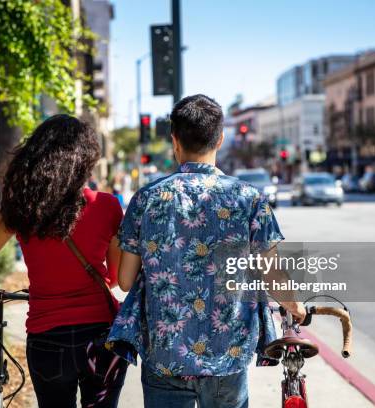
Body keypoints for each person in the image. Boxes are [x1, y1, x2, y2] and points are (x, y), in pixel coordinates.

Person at [109, 95, 306, 408]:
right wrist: (296, 307)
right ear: (221, 138)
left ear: (174, 140)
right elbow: (272, 275)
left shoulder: (146, 199)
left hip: (165, 356)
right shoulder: (249, 198)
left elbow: (125, 280)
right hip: (227, 358)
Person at [0, 115, 128, 408]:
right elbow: (114, 276)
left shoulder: (20, 209)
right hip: (100, 335)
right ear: (85, 161)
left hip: (47, 339)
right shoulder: (107, 206)